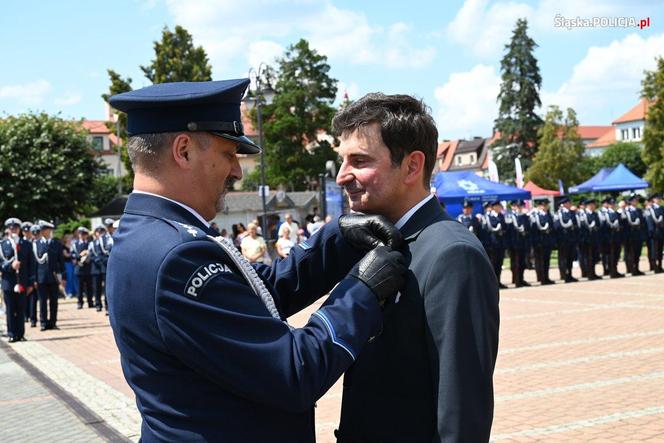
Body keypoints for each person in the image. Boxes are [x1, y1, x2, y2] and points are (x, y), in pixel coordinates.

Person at [106, 79, 408, 442]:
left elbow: (261, 291)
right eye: (228, 154)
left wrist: (339, 238)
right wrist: (362, 291)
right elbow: (294, 372)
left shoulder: (150, 234)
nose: (236, 171)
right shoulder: (177, 255)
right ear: (184, 151)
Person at [333, 93, 499, 442]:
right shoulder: (376, 241)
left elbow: (461, 411)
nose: (341, 176)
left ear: (411, 166)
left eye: (359, 161)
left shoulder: (451, 254)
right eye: (342, 161)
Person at [1, 218, 35, 342]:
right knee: (10, 309)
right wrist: (10, 266)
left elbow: (31, 265)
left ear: (19, 229)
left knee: (21, 308)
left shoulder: (26, 244)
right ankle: (11, 333)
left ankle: (20, 333)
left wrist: (31, 282)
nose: (13, 230)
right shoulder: (2, 244)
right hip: (8, 282)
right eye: (11, 228)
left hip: (22, 281)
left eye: (15, 228)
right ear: (8, 230)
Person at [34, 220, 64, 331]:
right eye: (41, 230)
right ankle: (43, 322)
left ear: (49, 230)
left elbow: (61, 261)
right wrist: (34, 279)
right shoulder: (36, 244)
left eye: (45, 230)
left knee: (54, 301)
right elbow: (34, 264)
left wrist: (63, 276)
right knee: (42, 302)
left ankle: (53, 322)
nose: (43, 232)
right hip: (41, 277)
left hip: (53, 277)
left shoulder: (56, 244)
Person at [530, 199, 555, 285]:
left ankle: (546, 277)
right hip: (539, 241)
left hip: (547, 241)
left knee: (546, 260)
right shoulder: (536, 215)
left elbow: (552, 227)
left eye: (546, 205)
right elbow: (533, 230)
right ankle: (541, 277)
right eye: (544, 205)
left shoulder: (549, 215)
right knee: (539, 260)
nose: (546, 207)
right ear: (540, 206)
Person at [507, 200, 531, 287]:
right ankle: (516, 280)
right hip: (514, 243)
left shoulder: (524, 217)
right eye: (518, 206)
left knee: (522, 262)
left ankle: (521, 279)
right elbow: (508, 230)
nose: (520, 208)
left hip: (523, 243)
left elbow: (528, 228)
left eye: (521, 206)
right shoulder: (510, 216)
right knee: (515, 263)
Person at [554, 197, 578, 282]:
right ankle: (564, 274)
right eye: (568, 203)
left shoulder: (572, 213)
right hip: (563, 238)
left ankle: (569, 274)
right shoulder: (559, 213)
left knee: (570, 258)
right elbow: (557, 226)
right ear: (564, 204)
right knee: (563, 258)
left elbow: (575, 224)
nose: (570, 204)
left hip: (571, 238)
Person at [71, 227, 93, 309]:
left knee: (89, 287)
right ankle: (80, 302)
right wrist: (80, 255)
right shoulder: (75, 244)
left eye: (84, 234)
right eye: (80, 234)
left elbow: (92, 254)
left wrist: (87, 254)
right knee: (79, 287)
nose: (82, 236)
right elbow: (72, 255)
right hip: (79, 268)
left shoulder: (90, 244)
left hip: (88, 268)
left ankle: (90, 302)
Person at [624, 194, 645, 276]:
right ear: (630, 201)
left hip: (638, 234)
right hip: (631, 234)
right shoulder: (627, 211)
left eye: (636, 200)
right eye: (634, 200)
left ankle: (636, 268)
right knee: (631, 252)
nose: (635, 202)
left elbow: (643, 222)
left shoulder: (639, 210)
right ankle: (632, 269)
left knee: (637, 252)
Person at [644, 193, 663, 273]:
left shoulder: (662, 208)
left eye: (659, 198)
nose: (659, 200)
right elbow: (649, 221)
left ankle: (660, 265)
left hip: (661, 232)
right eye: (657, 198)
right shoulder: (650, 209)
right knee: (654, 250)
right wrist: (651, 231)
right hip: (654, 232)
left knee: (660, 249)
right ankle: (654, 266)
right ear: (653, 200)